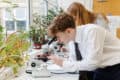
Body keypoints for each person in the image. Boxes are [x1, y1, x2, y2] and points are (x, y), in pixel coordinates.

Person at [47, 12, 120, 80]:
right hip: (100, 68)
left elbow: (92, 63)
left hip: (116, 67)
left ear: (68, 31)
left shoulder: (92, 31)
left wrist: (63, 63)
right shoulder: (72, 41)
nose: (58, 40)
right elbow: (75, 62)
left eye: (58, 37)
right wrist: (62, 61)